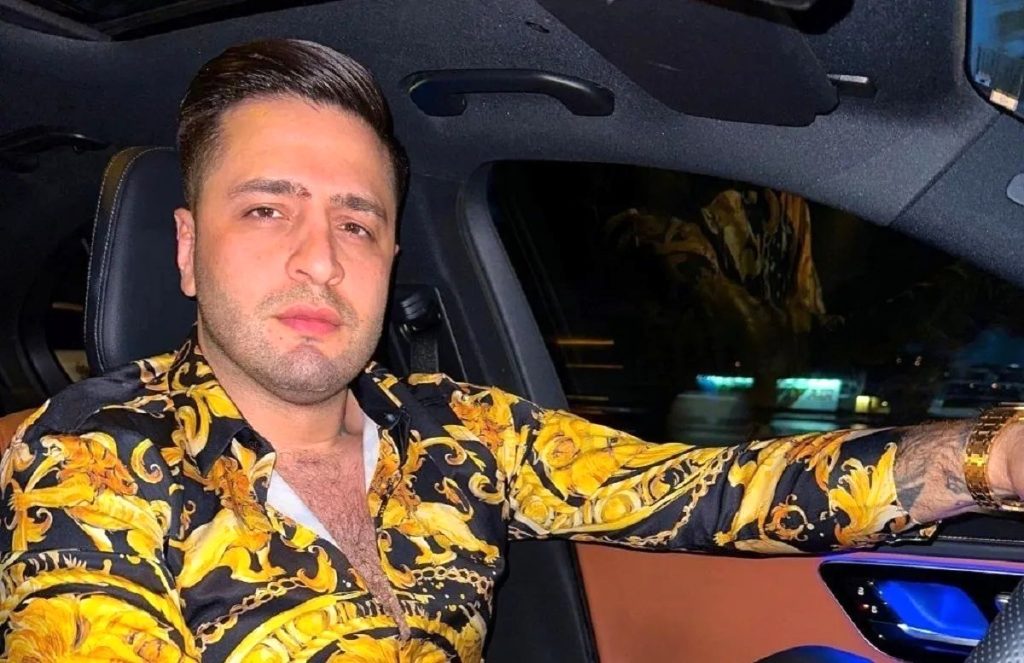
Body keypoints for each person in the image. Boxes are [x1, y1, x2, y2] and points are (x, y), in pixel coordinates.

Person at [1, 38, 1022, 662]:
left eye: (357, 221)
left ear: (390, 258)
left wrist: (989, 458)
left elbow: (712, 490)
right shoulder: (93, 458)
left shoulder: (460, 430)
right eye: (268, 210)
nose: (320, 259)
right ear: (187, 251)